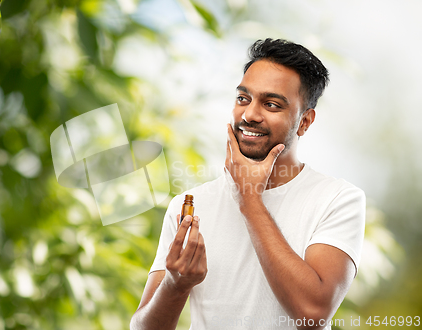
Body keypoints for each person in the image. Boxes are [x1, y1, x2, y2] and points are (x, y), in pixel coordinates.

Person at [130, 38, 366, 330]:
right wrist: (176, 285)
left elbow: (313, 314)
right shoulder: (188, 206)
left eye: (271, 104)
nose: (250, 115)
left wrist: (250, 201)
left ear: (305, 121)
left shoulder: (337, 199)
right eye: (243, 99)